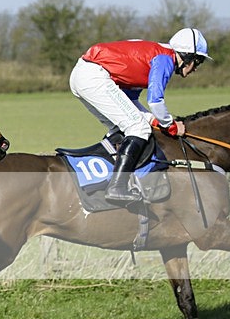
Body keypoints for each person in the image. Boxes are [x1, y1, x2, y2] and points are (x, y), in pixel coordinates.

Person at [69, 28, 211, 204]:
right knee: (138, 128)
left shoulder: (153, 56)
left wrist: (153, 119)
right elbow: (156, 101)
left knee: (122, 128)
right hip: (93, 76)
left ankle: (103, 179)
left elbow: (130, 103)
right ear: (188, 56)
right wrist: (171, 125)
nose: (196, 69)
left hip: (82, 75)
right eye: (198, 62)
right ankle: (116, 187)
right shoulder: (165, 59)